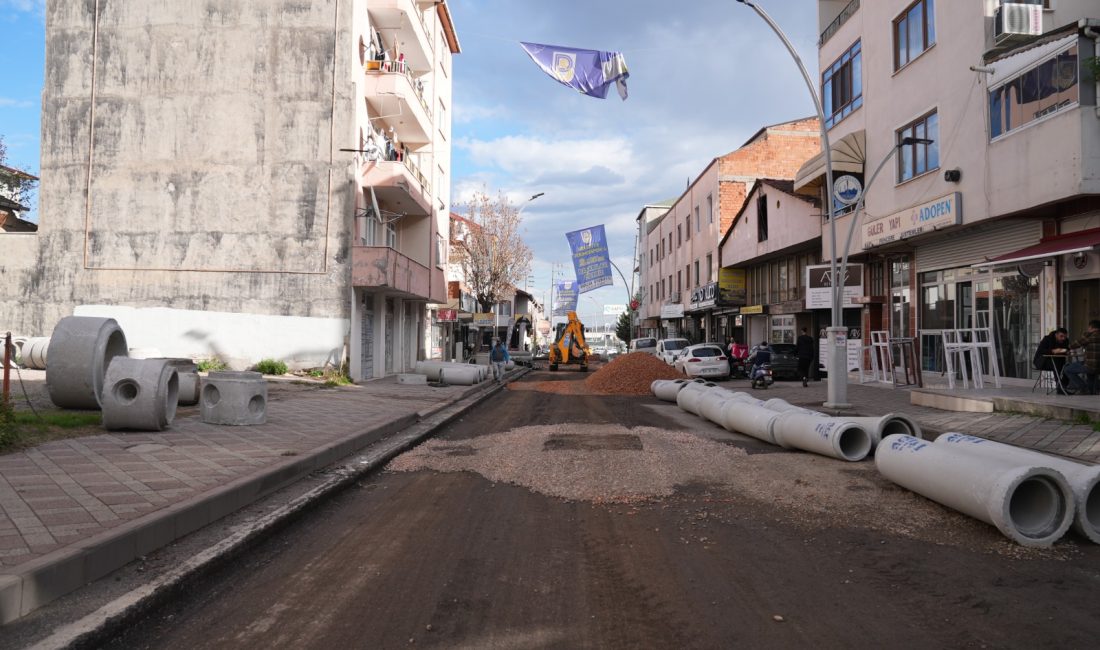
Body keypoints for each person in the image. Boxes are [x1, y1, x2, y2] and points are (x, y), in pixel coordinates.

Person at [1062, 319, 1100, 396]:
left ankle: (1083, 387)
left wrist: (1066, 348)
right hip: (1098, 366)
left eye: (1089, 328)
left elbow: (1075, 344)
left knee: (1067, 369)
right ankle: (1091, 392)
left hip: (1090, 365)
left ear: (1092, 328)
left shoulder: (1090, 336)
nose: (1088, 329)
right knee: (1091, 375)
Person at [1033, 327, 1071, 394]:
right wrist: (1053, 351)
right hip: (1042, 362)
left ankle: (1063, 386)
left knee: (1068, 367)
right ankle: (1060, 388)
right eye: (1061, 336)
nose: (1063, 338)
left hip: (1058, 362)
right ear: (1056, 335)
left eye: (1064, 337)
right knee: (1056, 365)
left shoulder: (1065, 340)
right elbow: (1041, 351)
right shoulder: (1047, 339)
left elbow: (1067, 349)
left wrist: (1068, 351)